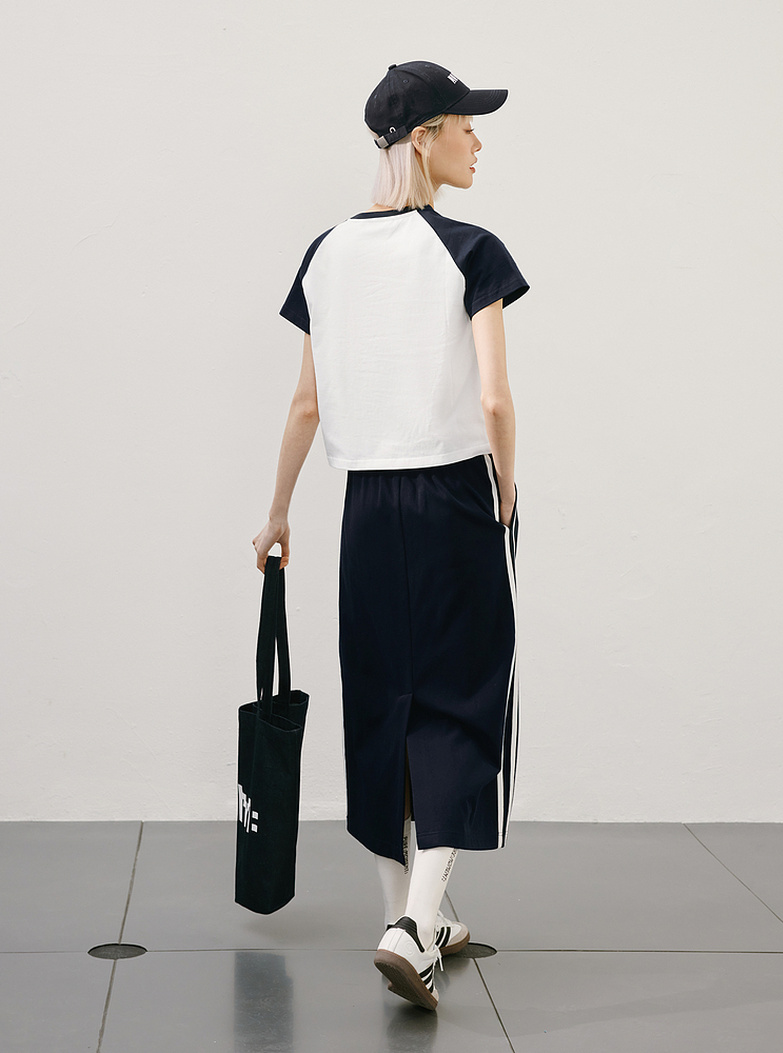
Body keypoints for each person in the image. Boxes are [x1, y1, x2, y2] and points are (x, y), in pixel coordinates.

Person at [252, 60, 529, 1011]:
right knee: (459, 697)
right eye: (465, 124)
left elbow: (304, 404)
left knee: (381, 700)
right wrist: (506, 483)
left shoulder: (326, 253)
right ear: (424, 138)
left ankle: (410, 914)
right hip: (451, 497)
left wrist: (278, 510)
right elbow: (495, 400)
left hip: (364, 505)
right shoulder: (470, 250)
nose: (477, 140)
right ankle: (414, 922)